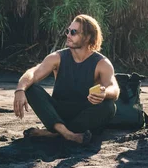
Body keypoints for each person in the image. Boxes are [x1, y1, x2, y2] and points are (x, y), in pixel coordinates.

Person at [13, 14, 119, 144]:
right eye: (67, 31)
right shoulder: (57, 57)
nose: (68, 35)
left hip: (83, 114)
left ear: (88, 37)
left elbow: (114, 88)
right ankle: (66, 134)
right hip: (58, 112)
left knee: (109, 106)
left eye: (73, 32)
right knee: (30, 89)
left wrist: (104, 93)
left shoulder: (102, 63)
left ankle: (54, 134)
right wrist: (20, 89)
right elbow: (34, 72)